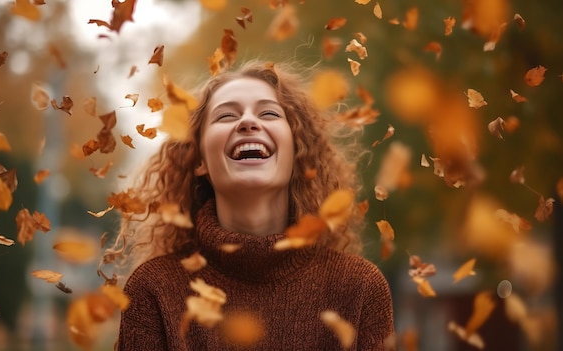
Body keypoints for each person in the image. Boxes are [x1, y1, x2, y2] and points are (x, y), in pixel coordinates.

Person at [110, 60, 395, 350]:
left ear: (298, 152)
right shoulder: (153, 290)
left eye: (269, 113)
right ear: (198, 160)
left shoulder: (360, 288)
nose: (248, 122)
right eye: (226, 116)